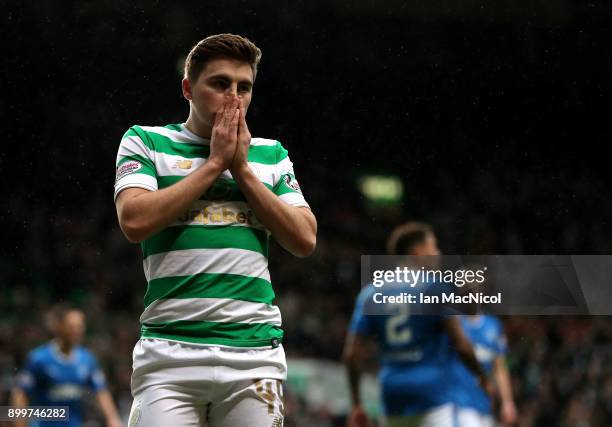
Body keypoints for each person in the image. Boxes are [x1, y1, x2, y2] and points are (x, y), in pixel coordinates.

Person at [114, 34, 316, 426]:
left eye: (244, 87)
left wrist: (240, 168)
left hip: (254, 355)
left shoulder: (271, 154)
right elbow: (134, 221)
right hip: (170, 354)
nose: (234, 97)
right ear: (188, 88)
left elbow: (304, 239)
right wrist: (214, 164)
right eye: (220, 84)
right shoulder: (146, 141)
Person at [343, 222, 491, 427]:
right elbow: (462, 345)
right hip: (432, 396)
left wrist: (357, 404)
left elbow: (351, 355)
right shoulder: (435, 288)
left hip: (392, 395)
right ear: (418, 250)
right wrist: (482, 376)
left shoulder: (370, 293)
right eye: (433, 247)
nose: (438, 254)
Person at [11, 306, 122, 427]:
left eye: (80, 326)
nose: (76, 331)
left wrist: (113, 419)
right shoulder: (38, 359)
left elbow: (101, 391)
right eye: (72, 326)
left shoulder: (87, 359)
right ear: (59, 327)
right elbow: (20, 393)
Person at [455, 314, 517, 427]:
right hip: (461, 401)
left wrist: (507, 402)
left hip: (485, 402)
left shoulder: (493, 325)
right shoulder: (455, 323)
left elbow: (499, 368)